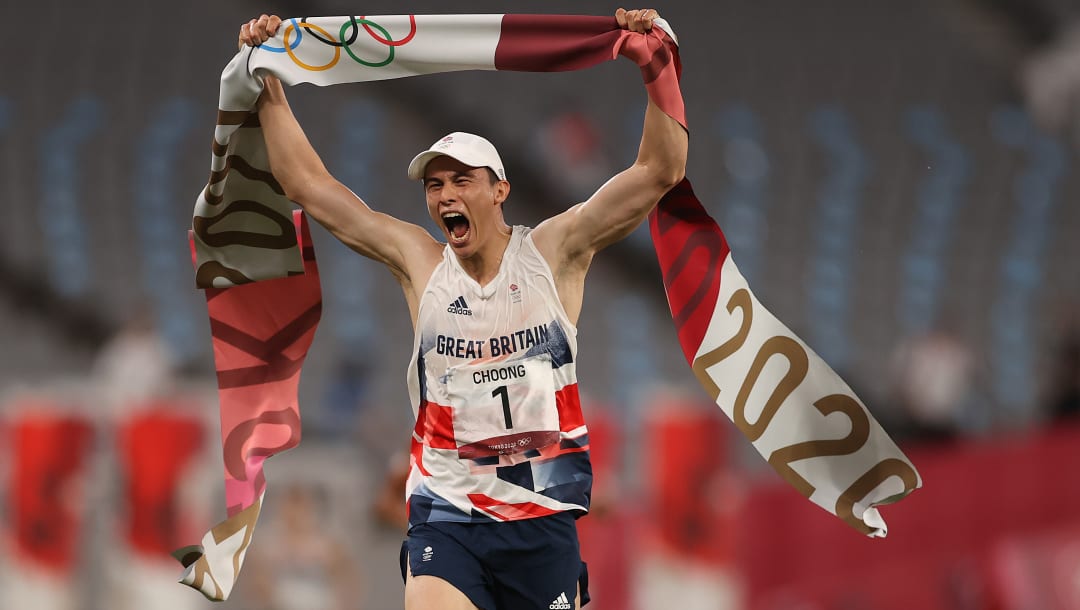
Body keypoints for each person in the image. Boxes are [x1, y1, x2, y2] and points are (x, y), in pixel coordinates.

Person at [239, 8, 687, 610]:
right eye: (434, 185)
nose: (445, 194)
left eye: (461, 180)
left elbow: (660, 169)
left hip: (541, 515)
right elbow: (307, 185)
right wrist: (266, 80)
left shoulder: (553, 254)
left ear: (499, 189)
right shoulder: (419, 263)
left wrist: (655, 65)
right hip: (447, 512)